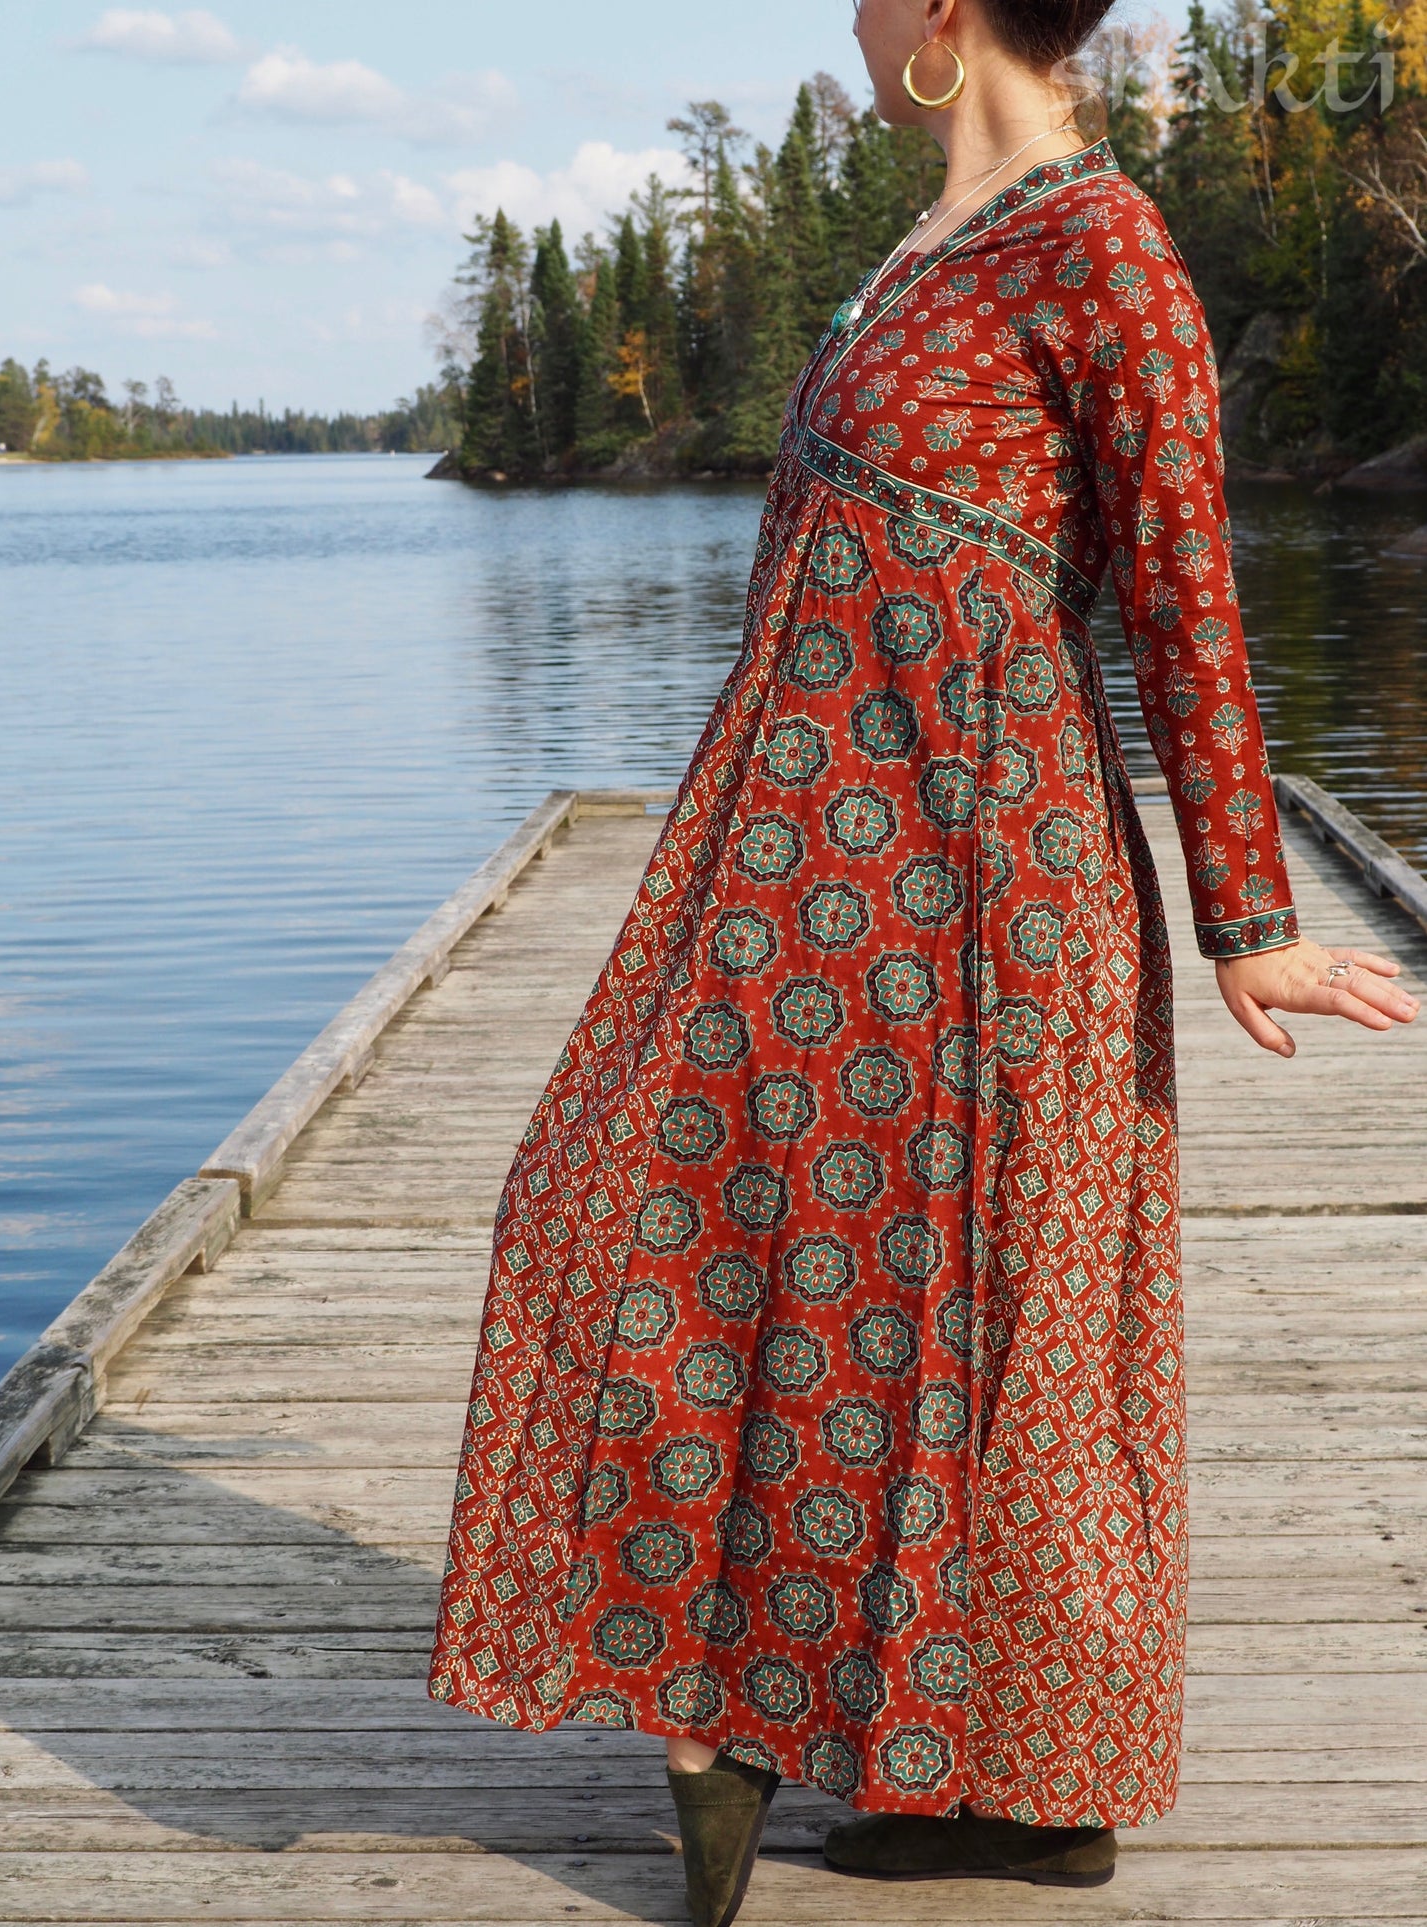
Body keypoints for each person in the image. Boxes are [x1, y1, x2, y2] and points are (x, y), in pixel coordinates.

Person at [428, 1, 1421, 1920]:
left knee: (989, 1324)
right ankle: (806, 1722)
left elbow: (1182, 585)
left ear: (945, 11)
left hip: (978, 860)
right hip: (784, 844)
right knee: (614, 1213)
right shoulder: (923, 247)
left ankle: (999, 1777)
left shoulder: (1097, 240)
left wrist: (1253, 918)